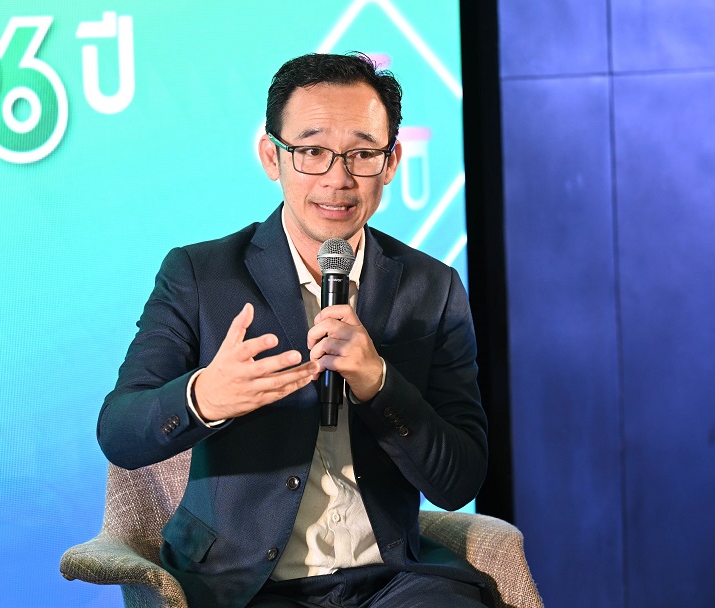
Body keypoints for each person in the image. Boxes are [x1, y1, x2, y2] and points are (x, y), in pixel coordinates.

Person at [97, 52, 490, 608]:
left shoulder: (433, 286)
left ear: (392, 162)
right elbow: (119, 431)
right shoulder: (201, 275)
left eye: (362, 153)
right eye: (311, 151)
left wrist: (379, 383)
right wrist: (204, 397)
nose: (338, 178)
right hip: (243, 584)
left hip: (392, 579)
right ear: (271, 156)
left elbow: (459, 481)